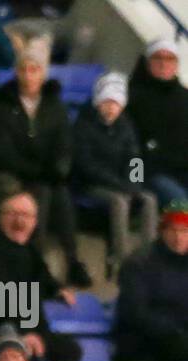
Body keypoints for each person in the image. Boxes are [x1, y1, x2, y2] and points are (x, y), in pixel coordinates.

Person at [0, 34, 90, 287]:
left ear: (43, 73)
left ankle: (73, 260)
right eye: (24, 69)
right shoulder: (1, 103)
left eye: (35, 69)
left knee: (60, 194)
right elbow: (2, 149)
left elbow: (64, 146)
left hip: (43, 174)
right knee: (39, 193)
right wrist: (37, 172)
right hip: (11, 172)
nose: (28, 75)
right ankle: (37, 263)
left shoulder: (55, 106)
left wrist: (57, 170)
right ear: (17, 71)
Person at [0, 190, 82, 361]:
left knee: (72, 351)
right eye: (13, 214)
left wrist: (58, 289)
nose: (19, 221)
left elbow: (44, 278)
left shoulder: (31, 250)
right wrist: (25, 334)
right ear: (0, 218)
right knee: (23, 353)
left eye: (26, 216)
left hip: (33, 327)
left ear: (35, 222)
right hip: (1, 327)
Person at [73, 71, 159, 269]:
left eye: (116, 103)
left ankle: (148, 257)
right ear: (98, 102)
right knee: (119, 201)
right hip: (93, 185)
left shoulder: (126, 126)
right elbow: (86, 166)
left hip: (122, 184)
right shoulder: (83, 125)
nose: (111, 108)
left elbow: (135, 158)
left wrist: (134, 184)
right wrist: (120, 186)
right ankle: (123, 259)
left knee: (149, 199)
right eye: (107, 102)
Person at [114, 202, 188, 361]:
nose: (179, 237)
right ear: (162, 231)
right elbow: (136, 315)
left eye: (185, 231)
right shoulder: (139, 263)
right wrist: (178, 329)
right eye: (173, 230)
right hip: (143, 343)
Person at [126, 38, 188, 207]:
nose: (163, 64)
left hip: (182, 170)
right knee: (182, 204)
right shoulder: (132, 97)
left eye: (169, 59)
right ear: (148, 62)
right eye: (158, 58)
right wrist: (134, 181)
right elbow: (129, 146)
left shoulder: (183, 98)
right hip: (150, 172)